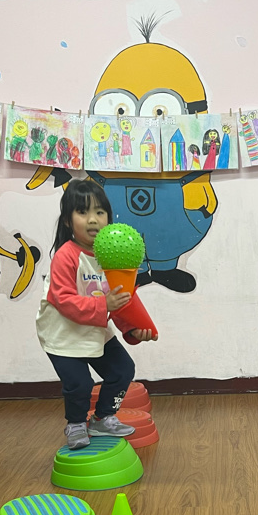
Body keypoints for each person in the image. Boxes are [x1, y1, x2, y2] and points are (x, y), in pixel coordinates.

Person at [37, 179, 157, 449]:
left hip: (95, 328)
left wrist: (133, 329)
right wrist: (105, 306)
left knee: (122, 370)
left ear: (108, 218)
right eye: (82, 212)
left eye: (99, 212)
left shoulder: (111, 256)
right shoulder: (66, 256)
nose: (92, 219)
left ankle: (102, 418)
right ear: (67, 221)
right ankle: (76, 424)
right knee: (79, 384)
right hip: (63, 334)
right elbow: (64, 300)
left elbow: (121, 299)